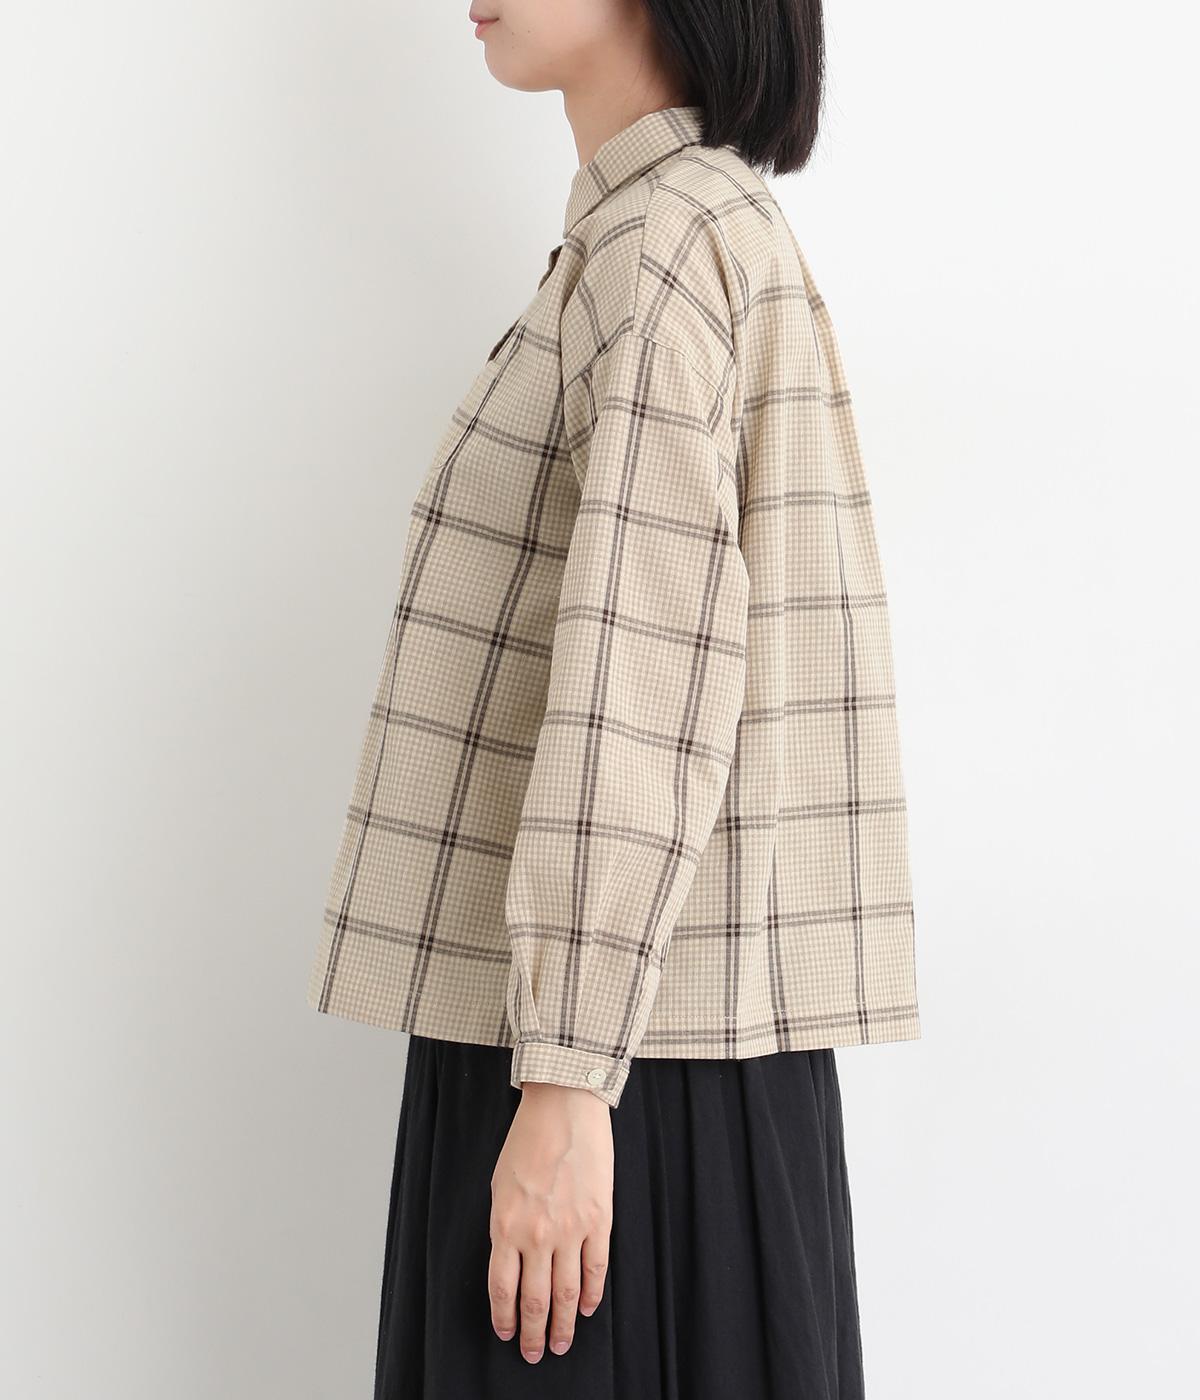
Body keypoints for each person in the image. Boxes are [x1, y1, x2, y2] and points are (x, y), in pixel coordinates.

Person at [307, 2, 922, 1395]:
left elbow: (638, 682)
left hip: (617, 1071)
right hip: (656, 1045)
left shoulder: (663, 244)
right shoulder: (680, 229)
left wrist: (568, 1079)